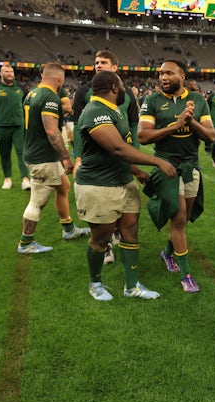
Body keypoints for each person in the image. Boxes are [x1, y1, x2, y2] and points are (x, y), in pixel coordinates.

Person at [74, 71, 176, 301]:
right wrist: (157, 161)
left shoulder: (113, 110)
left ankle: (132, 286)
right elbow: (117, 148)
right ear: (112, 87)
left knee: (130, 232)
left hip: (123, 181)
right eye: (121, 86)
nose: (124, 90)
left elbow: (119, 150)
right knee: (101, 238)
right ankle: (96, 283)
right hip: (99, 185)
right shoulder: (95, 111)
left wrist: (136, 171)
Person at [138, 59, 215, 293]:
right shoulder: (152, 100)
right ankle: (186, 275)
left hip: (190, 165)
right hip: (165, 165)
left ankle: (167, 253)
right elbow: (143, 135)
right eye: (161, 73)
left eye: (169, 73)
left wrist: (191, 122)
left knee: (185, 217)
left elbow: (210, 135)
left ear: (182, 77)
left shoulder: (198, 101)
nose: (163, 77)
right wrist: (175, 125)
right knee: (179, 217)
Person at [73, 50, 140, 264]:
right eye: (96, 62)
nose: (98, 65)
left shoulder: (126, 93)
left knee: (124, 208)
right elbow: (78, 126)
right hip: (99, 163)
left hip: (122, 161)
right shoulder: (85, 92)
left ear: (115, 67)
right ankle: (106, 246)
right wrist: (78, 156)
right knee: (103, 211)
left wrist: (134, 158)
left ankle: (117, 235)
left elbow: (133, 126)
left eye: (103, 62)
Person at [17, 62, 90, 254]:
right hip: (43, 157)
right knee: (37, 200)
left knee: (63, 186)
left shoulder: (33, 93)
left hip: (36, 152)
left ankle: (69, 229)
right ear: (60, 79)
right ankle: (26, 243)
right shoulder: (50, 97)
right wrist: (65, 157)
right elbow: (51, 131)